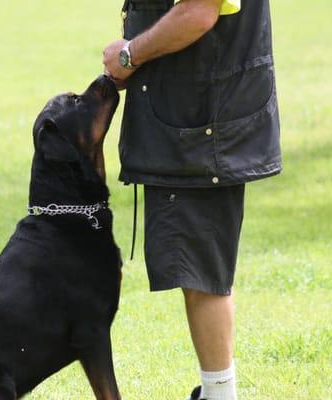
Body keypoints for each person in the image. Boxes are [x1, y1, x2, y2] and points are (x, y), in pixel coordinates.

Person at [103, 0, 281, 399]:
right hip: (194, 113)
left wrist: (130, 54)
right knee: (200, 269)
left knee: (203, 273)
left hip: (203, 119)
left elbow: (199, 12)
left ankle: (220, 396)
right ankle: (217, 392)